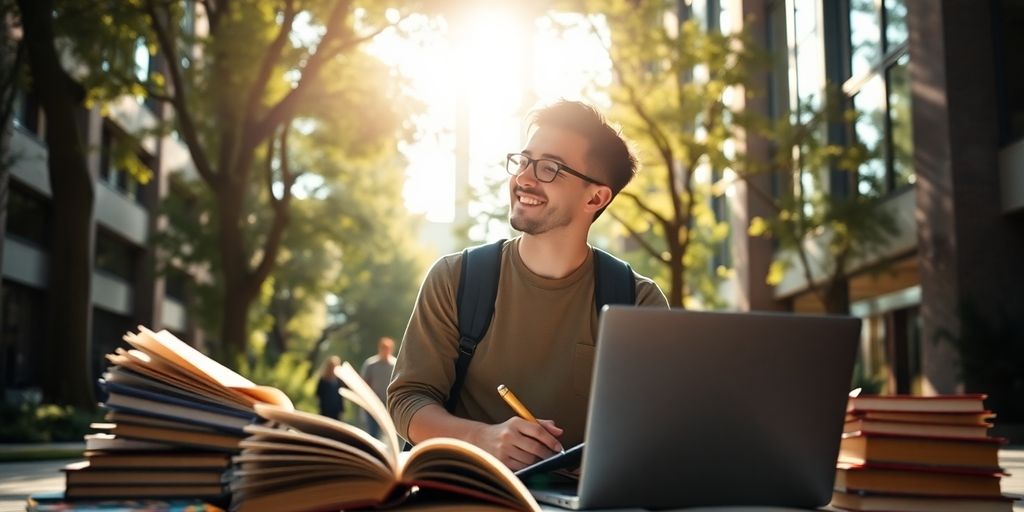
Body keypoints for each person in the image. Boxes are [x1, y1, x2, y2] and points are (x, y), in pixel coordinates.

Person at [387, 100, 668, 470]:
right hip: (468, 495)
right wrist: (481, 439)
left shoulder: (637, 302)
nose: (523, 178)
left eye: (549, 168)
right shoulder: (457, 278)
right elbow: (407, 400)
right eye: (523, 162)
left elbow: (657, 430)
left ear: (596, 197)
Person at [361, 337, 397, 439]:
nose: (385, 351)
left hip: (389, 405)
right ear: (379, 348)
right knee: (373, 433)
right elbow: (364, 383)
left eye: (387, 348)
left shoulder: (395, 365)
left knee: (389, 434)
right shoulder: (370, 364)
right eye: (383, 348)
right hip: (373, 404)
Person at [315, 356, 345, 420]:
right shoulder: (323, 380)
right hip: (325, 410)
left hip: (336, 411)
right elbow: (318, 393)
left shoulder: (339, 381)